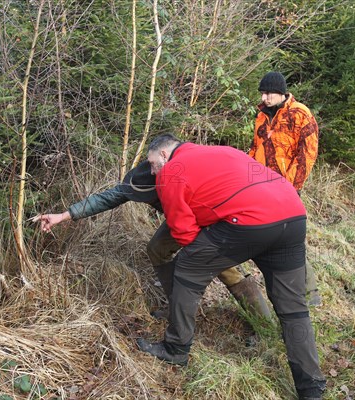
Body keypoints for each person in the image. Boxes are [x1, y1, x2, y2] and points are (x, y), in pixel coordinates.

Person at [137, 134, 326, 400]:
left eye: (153, 163)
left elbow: (183, 232)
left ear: (165, 155)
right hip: (293, 214)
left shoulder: (171, 171)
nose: (152, 170)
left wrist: (207, 261)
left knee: (186, 269)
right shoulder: (224, 151)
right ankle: (311, 387)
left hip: (249, 223)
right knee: (293, 308)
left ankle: (176, 348)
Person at [31, 161, 272, 321]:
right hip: (179, 218)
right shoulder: (143, 177)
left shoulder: (181, 177)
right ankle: (177, 308)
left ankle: (264, 323)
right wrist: (64, 215)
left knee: (225, 268)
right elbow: (107, 198)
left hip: (206, 216)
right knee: (157, 248)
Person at [249, 71, 321, 306]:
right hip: (261, 186)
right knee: (268, 236)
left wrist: (290, 187)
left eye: (269, 92)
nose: (265, 97)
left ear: (281, 92)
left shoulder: (300, 114)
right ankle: (280, 290)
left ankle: (310, 293)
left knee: (291, 240)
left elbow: (307, 155)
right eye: (262, 92)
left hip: (287, 187)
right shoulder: (261, 115)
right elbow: (254, 148)